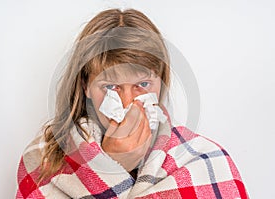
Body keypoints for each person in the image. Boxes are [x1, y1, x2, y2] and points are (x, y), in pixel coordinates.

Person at [16, 8, 248, 199]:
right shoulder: (44, 160)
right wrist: (112, 166)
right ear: (86, 86)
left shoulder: (205, 160)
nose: (128, 102)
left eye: (143, 85)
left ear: (161, 82)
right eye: (110, 86)